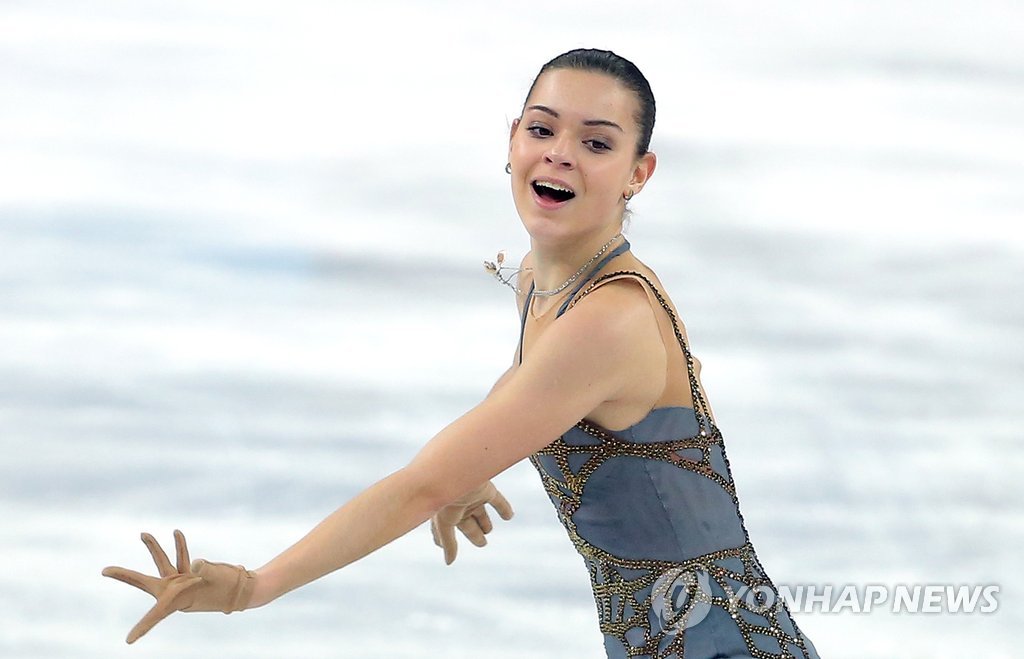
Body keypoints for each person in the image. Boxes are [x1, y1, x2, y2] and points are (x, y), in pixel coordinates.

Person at [102, 48, 821, 659]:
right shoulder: (547, 277)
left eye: (598, 143)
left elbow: (423, 484)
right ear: (512, 139)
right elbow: (532, 384)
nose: (560, 152)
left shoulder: (609, 319)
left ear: (640, 171)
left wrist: (257, 586)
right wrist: (485, 454)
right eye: (542, 128)